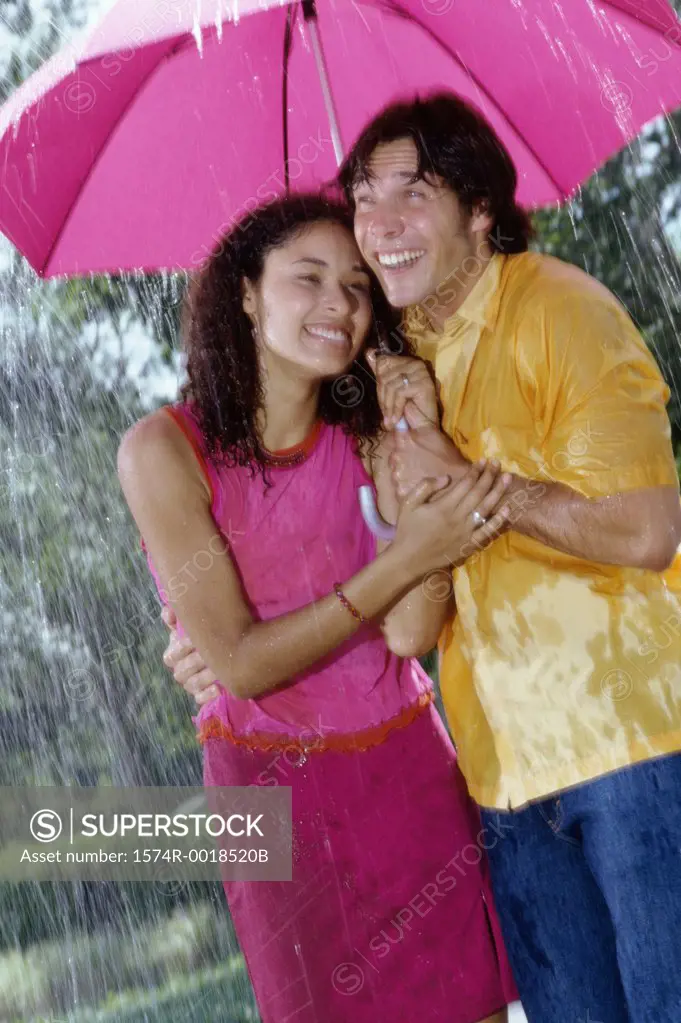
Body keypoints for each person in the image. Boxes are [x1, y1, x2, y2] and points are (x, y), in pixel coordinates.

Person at [169, 96, 681, 1021]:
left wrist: (474, 486)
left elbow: (647, 533)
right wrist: (205, 630)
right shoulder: (398, 372)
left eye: (414, 191)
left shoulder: (560, 311)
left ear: (480, 209)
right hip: (500, 779)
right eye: (366, 196)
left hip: (633, 746)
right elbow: (405, 611)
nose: (380, 226)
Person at [117, 194, 518, 1023]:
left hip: (405, 767)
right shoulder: (161, 451)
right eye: (308, 278)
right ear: (247, 294)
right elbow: (240, 663)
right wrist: (410, 554)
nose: (338, 304)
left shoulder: (372, 435)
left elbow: (409, 631)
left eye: (357, 286)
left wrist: (418, 445)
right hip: (265, 789)